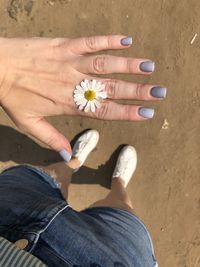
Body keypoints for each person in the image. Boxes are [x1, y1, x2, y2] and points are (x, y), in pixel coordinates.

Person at [0, 35, 166, 266]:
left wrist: (5, 73)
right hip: (111, 259)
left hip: (9, 215)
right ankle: (118, 183)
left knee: (49, 177)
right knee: (119, 211)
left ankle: (73, 163)